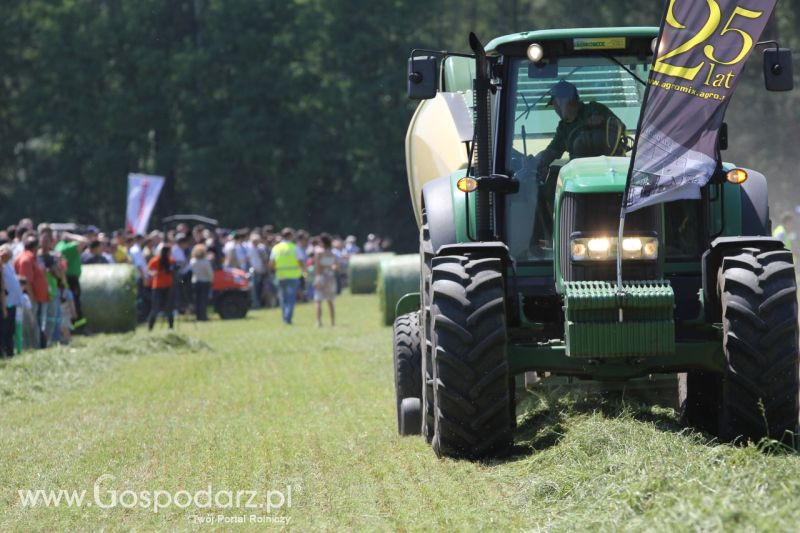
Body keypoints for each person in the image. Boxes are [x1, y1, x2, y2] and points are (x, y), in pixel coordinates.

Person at [535, 80, 628, 180]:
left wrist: (600, 122)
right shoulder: (563, 128)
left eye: (555, 104)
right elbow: (552, 151)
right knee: (553, 175)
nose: (556, 109)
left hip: (610, 172)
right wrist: (536, 161)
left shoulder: (595, 109)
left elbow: (618, 127)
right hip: (579, 176)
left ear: (564, 101)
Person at [14, 235, 50, 347]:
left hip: (36, 298)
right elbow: (26, 281)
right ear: (35, 247)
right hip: (29, 298)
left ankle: (35, 345)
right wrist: (31, 297)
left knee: (34, 323)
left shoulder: (31, 258)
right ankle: (29, 346)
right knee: (29, 324)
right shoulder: (26, 259)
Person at [269, 228, 304, 325]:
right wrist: (303, 271)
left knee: (282, 298)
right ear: (290, 236)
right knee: (290, 298)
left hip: (280, 275)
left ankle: (285, 317)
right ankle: (288, 319)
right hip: (293, 276)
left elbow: (271, 263)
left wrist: (274, 270)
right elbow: (300, 261)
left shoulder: (276, 248)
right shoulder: (294, 247)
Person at [55, 231, 87, 329]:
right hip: (70, 278)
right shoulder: (67, 246)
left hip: (68, 278)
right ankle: (77, 325)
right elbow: (84, 241)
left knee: (72, 301)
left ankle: (73, 325)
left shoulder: (60, 246)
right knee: (74, 302)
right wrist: (71, 236)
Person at [0, 244, 24, 356]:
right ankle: (4, 352)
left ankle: (10, 352)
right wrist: (4, 308)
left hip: (11, 303)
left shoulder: (8, 265)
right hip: (5, 304)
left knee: (11, 330)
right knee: (4, 330)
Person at [147, 245, 176, 330]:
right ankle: (150, 327)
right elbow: (149, 269)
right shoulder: (155, 260)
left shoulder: (171, 260)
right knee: (155, 309)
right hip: (158, 287)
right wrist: (153, 273)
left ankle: (171, 327)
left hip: (168, 286)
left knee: (169, 308)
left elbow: (174, 268)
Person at [313, 233, 338, 327]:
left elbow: (317, 267)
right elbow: (336, 266)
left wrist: (316, 278)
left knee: (318, 300)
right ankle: (333, 322)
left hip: (321, 277)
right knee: (330, 301)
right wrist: (330, 267)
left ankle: (319, 321)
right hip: (330, 277)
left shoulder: (318, 252)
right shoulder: (333, 253)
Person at [190, 244, 214, 321]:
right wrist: (211, 279)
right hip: (205, 282)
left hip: (195, 282)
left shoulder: (192, 261)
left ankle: (198, 316)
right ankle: (203, 316)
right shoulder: (206, 262)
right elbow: (210, 273)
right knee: (203, 300)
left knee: (197, 300)